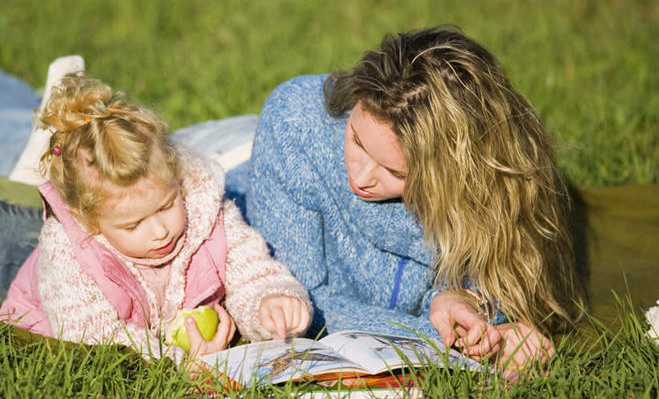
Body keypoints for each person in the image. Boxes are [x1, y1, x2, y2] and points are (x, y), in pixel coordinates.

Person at [0, 21, 311, 368]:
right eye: (133, 223)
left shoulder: (204, 205)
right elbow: (96, 339)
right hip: (36, 293)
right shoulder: (69, 251)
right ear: (86, 219)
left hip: (147, 304)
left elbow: (250, 268)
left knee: (7, 148)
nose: (160, 232)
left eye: (167, 205)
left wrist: (270, 304)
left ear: (175, 178)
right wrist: (180, 361)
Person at [246, 26, 585, 368]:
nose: (361, 178)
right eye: (357, 141)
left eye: (396, 173)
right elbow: (297, 304)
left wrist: (464, 307)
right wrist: (440, 341)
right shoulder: (296, 125)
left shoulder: (485, 192)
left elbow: (500, 290)